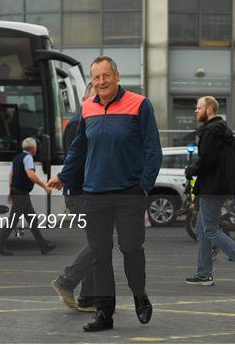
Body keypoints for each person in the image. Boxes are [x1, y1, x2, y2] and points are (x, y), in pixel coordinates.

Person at [48, 56, 162, 332]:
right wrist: (63, 175)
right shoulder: (88, 108)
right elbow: (79, 149)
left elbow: (152, 149)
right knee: (100, 256)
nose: (101, 82)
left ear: (117, 76)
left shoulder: (140, 104)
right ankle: (104, 313)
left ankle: (139, 295)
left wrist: (144, 186)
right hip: (95, 194)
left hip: (129, 193)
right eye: (96, 77)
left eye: (106, 76)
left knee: (131, 249)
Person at [184, 97, 235, 287]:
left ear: (210, 109)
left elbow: (206, 161)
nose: (196, 111)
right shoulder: (225, 131)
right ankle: (204, 274)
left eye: (199, 107)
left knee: (210, 230)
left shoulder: (210, 131)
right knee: (203, 231)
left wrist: (190, 170)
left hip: (211, 187)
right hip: (220, 186)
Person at [52, 83, 97, 313]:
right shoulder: (80, 122)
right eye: (95, 95)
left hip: (88, 191)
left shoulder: (91, 120)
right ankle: (66, 281)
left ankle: (89, 297)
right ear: (84, 98)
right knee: (100, 242)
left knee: (98, 243)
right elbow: (77, 159)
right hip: (82, 192)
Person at [0, 137, 55, 256]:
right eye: (36, 147)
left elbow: (11, 175)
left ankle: (44, 247)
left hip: (19, 192)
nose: (36, 149)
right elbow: (30, 174)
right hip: (21, 193)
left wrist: (11, 191)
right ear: (32, 148)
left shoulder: (17, 158)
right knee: (13, 220)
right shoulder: (28, 158)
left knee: (32, 219)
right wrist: (45, 186)